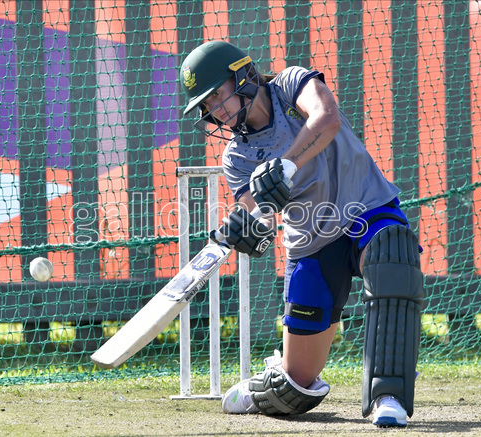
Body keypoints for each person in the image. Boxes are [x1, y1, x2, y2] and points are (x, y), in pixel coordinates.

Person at [179, 41, 424, 428]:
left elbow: (327, 118)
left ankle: (387, 396)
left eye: (217, 97)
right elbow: (261, 223)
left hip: (367, 209)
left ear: (241, 76)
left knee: (392, 257)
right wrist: (246, 230)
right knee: (294, 388)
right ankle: (269, 382)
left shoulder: (289, 85)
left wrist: (286, 165)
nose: (216, 112)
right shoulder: (237, 158)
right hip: (311, 243)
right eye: (207, 107)